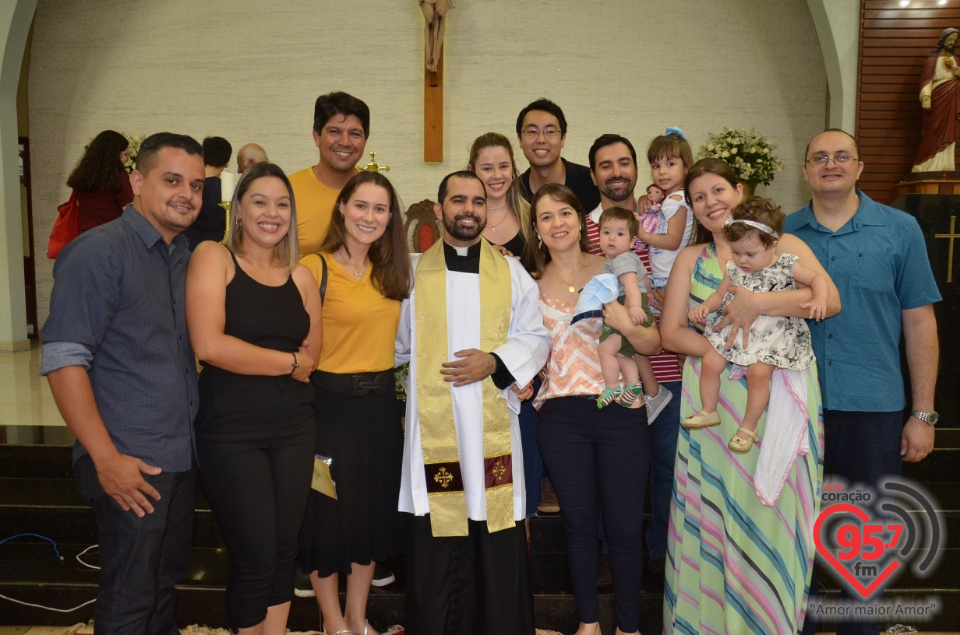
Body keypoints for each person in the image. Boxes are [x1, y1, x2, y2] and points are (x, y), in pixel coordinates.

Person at [646, 157, 839, 633]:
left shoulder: (783, 245)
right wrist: (731, 354)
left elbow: (828, 301)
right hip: (713, 402)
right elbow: (670, 333)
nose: (711, 203)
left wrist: (757, 307)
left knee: (769, 510)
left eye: (717, 191)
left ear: (738, 190)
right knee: (715, 512)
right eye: (698, 197)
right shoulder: (692, 260)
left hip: (774, 394)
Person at [41, 132, 205, 635]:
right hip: (128, 462)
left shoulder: (183, 255)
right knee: (130, 596)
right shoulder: (99, 253)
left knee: (162, 585)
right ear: (136, 180)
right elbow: (64, 360)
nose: (187, 195)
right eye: (172, 180)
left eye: (197, 185)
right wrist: (105, 459)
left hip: (177, 456)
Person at [787, 129, 941, 635]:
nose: (830, 165)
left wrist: (922, 414)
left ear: (859, 167)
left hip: (874, 408)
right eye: (819, 157)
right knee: (798, 536)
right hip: (797, 408)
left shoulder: (900, 231)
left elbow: (920, 322)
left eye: (841, 156)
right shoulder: (783, 236)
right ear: (806, 170)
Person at [395, 170, 550, 635]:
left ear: (488, 209)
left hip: (490, 426)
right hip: (435, 429)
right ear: (439, 210)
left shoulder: (512, 271)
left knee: (492, 518)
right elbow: (398, 344)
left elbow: (537, 337)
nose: (468, 209)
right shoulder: (412, 272)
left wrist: (495, 362)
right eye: (458, 200)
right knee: (438, 525)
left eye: (477, 201)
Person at [186, 162, 320, 635]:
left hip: (295, 429)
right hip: (232, 431)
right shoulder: (213, 257)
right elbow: (209, 345)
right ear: (238, 209)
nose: (272, 212)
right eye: (260, 201)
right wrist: (285, 363)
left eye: (282, 204)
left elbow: (313, 358)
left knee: (285, 550)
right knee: (255, 553)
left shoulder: (301, 277)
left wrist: (288, 362)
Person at [529, 183, 658, 635]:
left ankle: (628, 626)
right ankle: (588, 623)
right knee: (579, 525)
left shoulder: (616, 267)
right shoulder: (526, 284)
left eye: (564, 213)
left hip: (621, 407)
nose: (557, 223)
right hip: (562, 415)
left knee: (624, 528)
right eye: (546, 217)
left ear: (580, 219)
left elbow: (651, 340)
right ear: (536, 228)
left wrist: (623, 320)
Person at [297, 171, 411, 635]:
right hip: (328, 410)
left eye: (380, 209)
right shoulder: (312, 267)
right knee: (326, 519)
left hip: (380, 411)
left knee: (369, 519)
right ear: (342, 207)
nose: (370, 217)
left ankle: (357, 617)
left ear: (390, 218)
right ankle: (332, 623)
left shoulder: (393, 271)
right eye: (361, 206)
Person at [684, 197, 828, 454]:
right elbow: (720, 295)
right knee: (710, 362)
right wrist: (705, 306)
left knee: (759, 374)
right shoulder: (734, 269)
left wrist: (819, 298)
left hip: (773, 333)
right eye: (736, 252)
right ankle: (709, 409)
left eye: (750, 254)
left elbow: (818, 278)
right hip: (734, 332)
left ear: (772, 245)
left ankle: (748, 427)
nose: (742, 260)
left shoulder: (785, 265)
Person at [584, 134, 671, 420]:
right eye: (606, 166)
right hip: (614, 380)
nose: (617, 172)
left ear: (636, 169)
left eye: (624, 163)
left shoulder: (661, 218)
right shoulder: (580, 230)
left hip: (671, 371)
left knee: (667, 463)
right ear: (593, 177)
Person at [584, 207, 655, 409]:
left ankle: (612, 386)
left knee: (605, 349)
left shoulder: (622, 259)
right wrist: (646, 297)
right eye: (606, 232)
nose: (612, 238)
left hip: (628, 307)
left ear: (632, 241)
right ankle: (633, 385)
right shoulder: (618, 260)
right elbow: (645, 281)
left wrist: (634, 307)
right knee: (623, 353)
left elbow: (631, 283)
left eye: (620, 233)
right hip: (631, 304)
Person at [291, 91, 369, 255]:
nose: (345, 142)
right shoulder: (287, 191)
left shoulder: (374, 192)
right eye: (334, 131)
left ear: (365, 141)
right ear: (317, 137)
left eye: (355, 134)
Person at [639, 129, 696, 306]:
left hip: (670, 275)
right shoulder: (670, 198)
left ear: (686, 167)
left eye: (670, 164)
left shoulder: (675, 200)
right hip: (664, 274)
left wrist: (644, 236)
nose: (662, 171)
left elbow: (673, 241)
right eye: (656, 166)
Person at [515, 98, 600, 211]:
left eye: (550, 131)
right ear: (520, 139)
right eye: (532, 131)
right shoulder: (514, 193)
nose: (541, 139)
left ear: (563, 138)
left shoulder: (592, 184)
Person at [467, 132, 532, 258]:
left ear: (513, 168)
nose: (497, 175)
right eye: (487, 168)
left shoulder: (532, 215)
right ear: (472, 171)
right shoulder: (460, 220)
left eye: (503, 166)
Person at [65, 129, 134, 232]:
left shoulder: (82, 175)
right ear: (116, 154)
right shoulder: (117, 176)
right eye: (126, 154)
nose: (127, 159)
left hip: (86, 236)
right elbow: (130, 212)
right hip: (112, 235)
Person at [913, 28, 960, 172]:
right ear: (943, 40)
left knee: (950, 131)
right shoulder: (931, 61)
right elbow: (926, 81)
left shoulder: (956, 61)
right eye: (949, 39)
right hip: (938, 99)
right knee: (932, 130)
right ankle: (923, 164)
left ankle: (946, 165)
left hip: (953, 100)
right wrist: (926, 96)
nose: (951, 43)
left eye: (954, 40)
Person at [184, 136, 232, 250]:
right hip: (216, 247)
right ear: (227, 162)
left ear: (203, 157)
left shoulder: (187, 186)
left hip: (186, 245)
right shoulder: (227, 191)